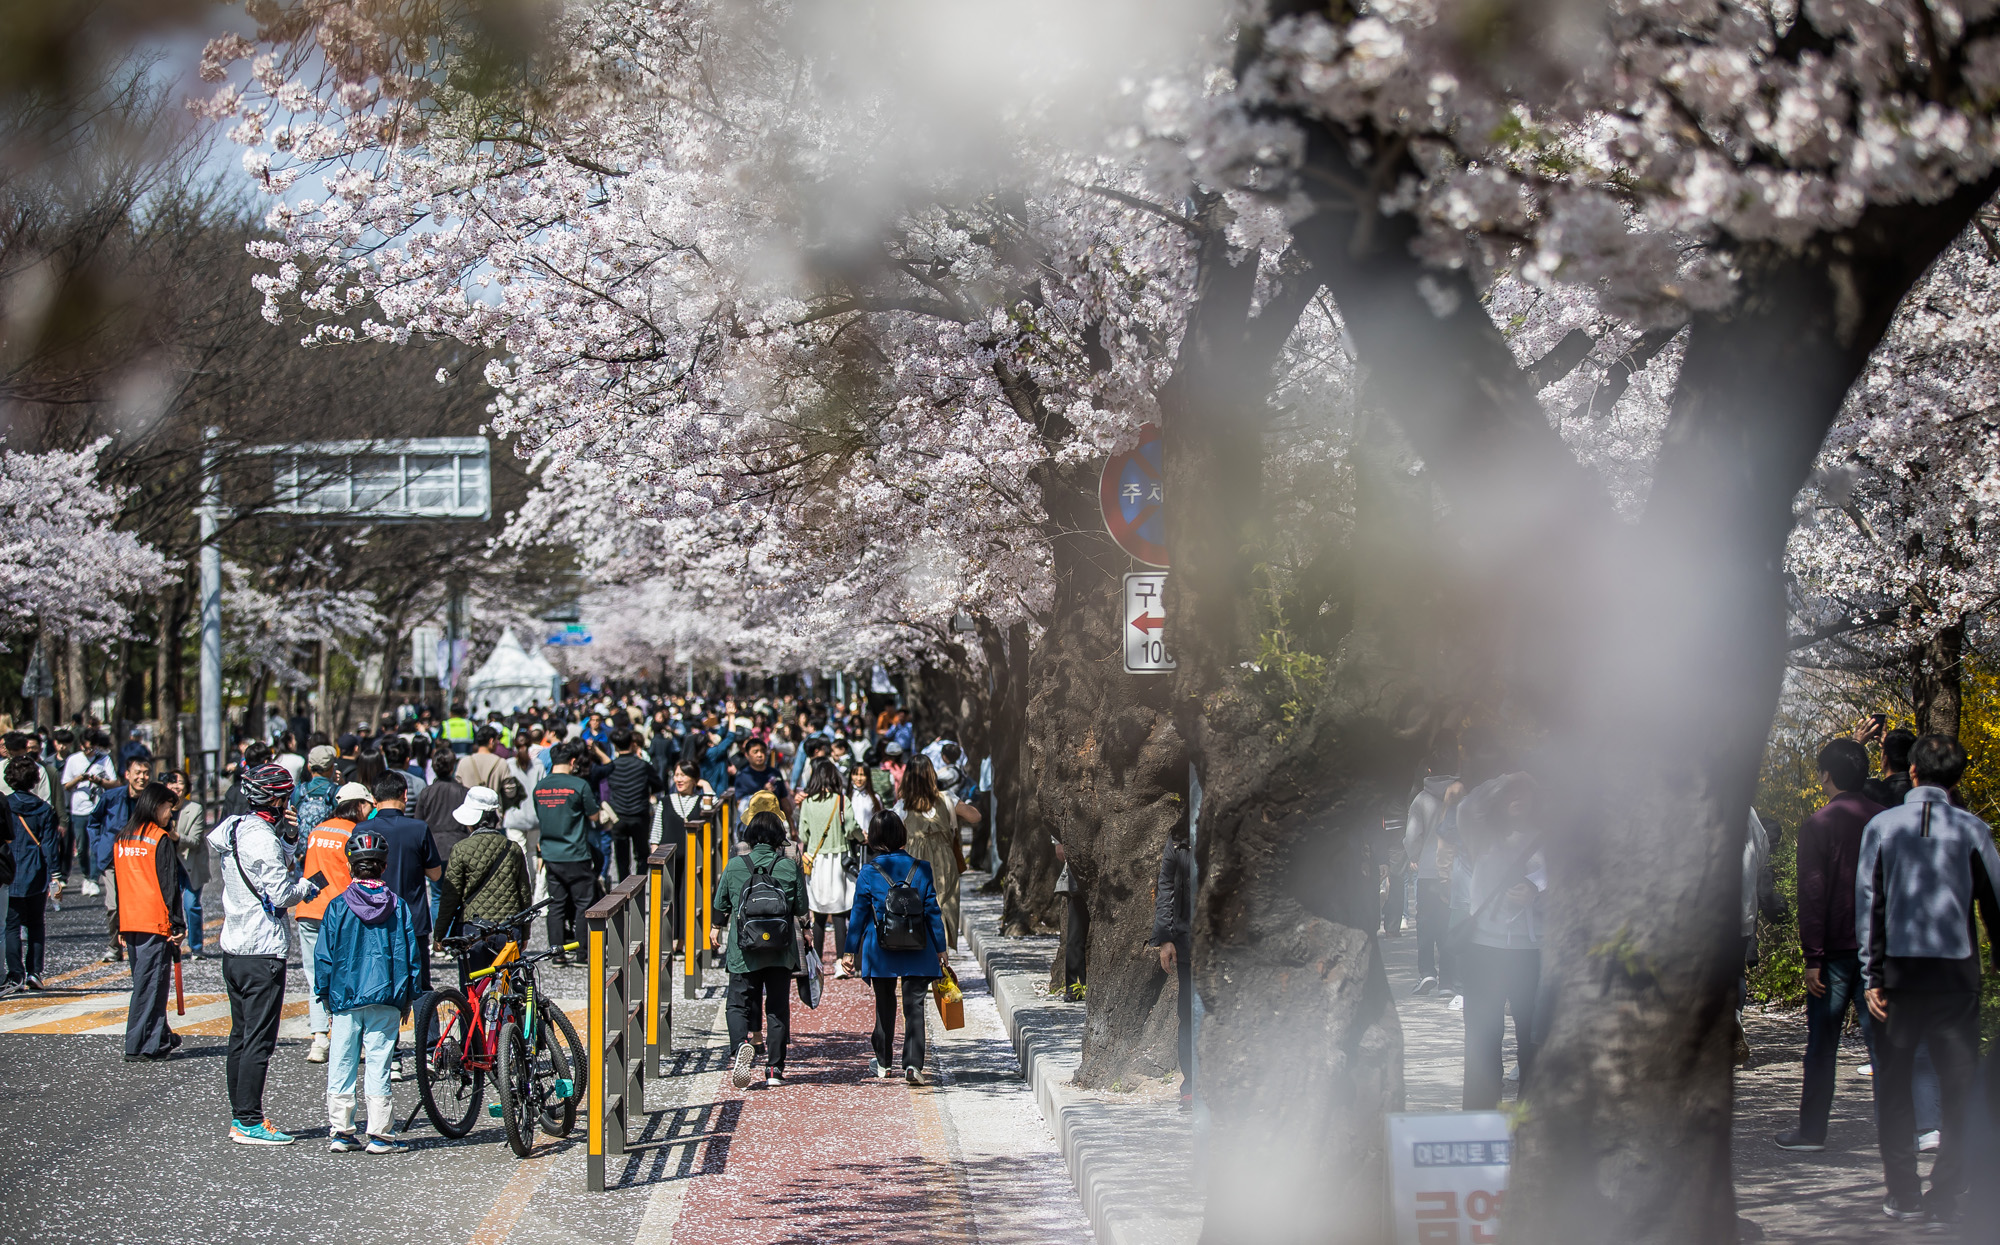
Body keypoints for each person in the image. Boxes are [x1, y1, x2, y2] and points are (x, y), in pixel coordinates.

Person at [1856, 733, 2000, 1224]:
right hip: (1956, 978)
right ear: (1956, 777)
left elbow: (1868, 905)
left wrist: (1870, 974)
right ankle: (1946, 1189)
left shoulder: (1882, 826)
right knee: (1958, 1088)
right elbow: (1995, 905)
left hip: (1896, 975)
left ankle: (1902, 1192)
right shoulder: (1973, 830)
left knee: (1893, 1085)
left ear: (1912, 770)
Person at [1773, 738, 1888, 1151]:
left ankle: (1812, 1132)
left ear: (1826, 774)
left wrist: (1812, 956)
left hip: (1835, 952)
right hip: (1879, 951)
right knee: (1884, 1047)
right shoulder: (1886, 819)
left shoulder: (1818, 824)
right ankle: (1895, 1132)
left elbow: (1813, 894)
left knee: (1822, 1045)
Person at [208, 763, 322, 1144]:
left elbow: (257, 859)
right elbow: (281, 892)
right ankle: (249, 1121)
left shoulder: (234, 828)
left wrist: (287, 836)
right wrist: (306, 887)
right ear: (277, 798)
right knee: (259, 1040)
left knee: (240, 1035)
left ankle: (240, 1115)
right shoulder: (263, 838)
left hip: (234, 948)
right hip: (262, 950)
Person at [313, 826, 422, 1154]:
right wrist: (407, 996)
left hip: (345, 997)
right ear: (384, 867)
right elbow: (409, 954)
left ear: (350, 867)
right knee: (379, 1063)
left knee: (342, 1062)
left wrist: (324, 994)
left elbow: (324, 956)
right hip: (386, 996)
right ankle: (379, 1134)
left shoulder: (337, 906)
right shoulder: (399, 906)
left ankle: (341, 1131)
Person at [1457, 771, 1544, 1111]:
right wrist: (1507, 779)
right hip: (1484, 949)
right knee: (1482, 1039)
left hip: (1531, 951)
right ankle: (1479, 1118)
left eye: (1525, 793)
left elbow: (1562, 886)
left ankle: (1533, 1121)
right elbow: (1466, 807)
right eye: (1511, 794)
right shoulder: (1481, 833)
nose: (1518, 798)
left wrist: (1535, 892)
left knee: (1533, 1040)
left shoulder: (1546, 838)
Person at [844, 810, 948, 1085]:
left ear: (875, 838)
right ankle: (913, 1064)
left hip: (881, 950)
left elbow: (858, 914)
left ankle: (882, 1062)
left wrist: (849, 951)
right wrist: (941, 948)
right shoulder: (922, 868)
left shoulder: (868, 872)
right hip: (919, 946)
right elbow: (932, 911)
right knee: (914, 1004)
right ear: (901, 834)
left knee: (885, 1003)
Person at [711, 810, 806, 1089]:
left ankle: (741, 1044)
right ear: (779, 838)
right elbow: (800, 908)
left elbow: (721, 905)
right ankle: (775, 1069)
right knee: (777, 1007)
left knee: (737, 1002)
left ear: (750, 836)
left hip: (744, 950)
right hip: (779, 949)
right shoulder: (788, 867)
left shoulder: (735, 865)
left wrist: (716, 927)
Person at [366, 773, 442, 1083]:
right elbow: (435, 874)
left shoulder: (363, 829)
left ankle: (391, 1058)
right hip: (413, 920)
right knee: (420, 986)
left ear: (374, 799)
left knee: (383, 989)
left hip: (373, 921)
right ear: (405, 797)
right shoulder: (418, 828)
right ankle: (428, 1052)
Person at [294, 782, 373, 1065]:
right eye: (369, 806)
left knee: (315, 975)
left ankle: (318, 1041)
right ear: (359, 805)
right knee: (349, 974)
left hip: (309, 908)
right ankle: (351, 1040)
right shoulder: (354, 833)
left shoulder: (318, 830)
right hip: (340, 912)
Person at [116, 781, 186, 1062]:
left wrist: (118, 926)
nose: (171, 815)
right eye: (169, 808)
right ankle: (140, 1045)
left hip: (130, 919)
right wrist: (178, 924)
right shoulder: (159, 838)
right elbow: (169, 884)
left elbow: (121, 882)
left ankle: (160, 1036)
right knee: (152, 985)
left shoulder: (124, 837)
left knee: (145, 982)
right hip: (154, 920)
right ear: (157, 806)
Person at [433, 787, 532, 949]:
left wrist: (440, 935)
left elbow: (450, 896)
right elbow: (524, 894)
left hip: (472, 930)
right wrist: (525, 932)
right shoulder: (512, 848)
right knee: (507, 974)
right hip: (508, 929)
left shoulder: (461, 848)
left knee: (474, 975)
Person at [897, 756, 977, 951]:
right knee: (944, 905)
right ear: (932, 775)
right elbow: (976, 816)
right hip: (945, 860)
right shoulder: (947, 798)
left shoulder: (902, 805)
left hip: (914, 862)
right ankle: (941, 958)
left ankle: (922, 957)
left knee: (918, 906)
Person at [534, 742, 602, 961]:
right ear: (573, 762)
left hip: (550, 853)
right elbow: (594, 816)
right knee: (584, 903)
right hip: (576, 852)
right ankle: (583, 953)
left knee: (556, 905)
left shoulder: (540, 787)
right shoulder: (578, 785)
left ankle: (557, 953)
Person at [1148, 818, 1196, 1109]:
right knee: (1188, 1014)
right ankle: (1190, 1084)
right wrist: (1165, 939)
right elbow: (1165, 887)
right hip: (1187, 937)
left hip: (1225, 939)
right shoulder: (1179, 837)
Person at [797, 759, 861, 976]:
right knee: (841, 913)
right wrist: (862, 837)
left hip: (816, 862)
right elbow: (852, 827)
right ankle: (843, 964)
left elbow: (802, 833)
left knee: (819, 914)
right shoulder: (842, 800)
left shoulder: (807, 803)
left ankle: (815, 962)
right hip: (839, 860)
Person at [87, 755, 153, 963]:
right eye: (137, 773)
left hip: (140, 859)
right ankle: (115, 947)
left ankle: (139, 946)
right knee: (114, 905)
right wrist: (98, 846)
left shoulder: (152, 800)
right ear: (127, 775)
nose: (142, 778)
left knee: (140, 905)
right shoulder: (111, 797)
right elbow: (93, 821)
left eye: (146, 773)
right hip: (112, 858)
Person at [1405, 743, 1458, 995]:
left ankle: (1427, 973)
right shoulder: (1463, 795)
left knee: (1426, 922)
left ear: (1429, 769)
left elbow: (1412, 836)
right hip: (1456, 871)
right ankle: (1448, 981)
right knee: (1450, 922)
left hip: (1427, 871)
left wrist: (1413, 856)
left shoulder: (1421, 799)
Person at [3, 756, 58, 994]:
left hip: (10, 868)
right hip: (36, 869)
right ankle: (35, 972)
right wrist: (55, 874)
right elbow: (50, 845)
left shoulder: (5, 804)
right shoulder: (45, 809)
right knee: (36, 924)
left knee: (11, 925)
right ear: (35, 780)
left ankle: (15, 974)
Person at [603, 726, 664, 880]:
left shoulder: (611, 767)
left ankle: (624, 888)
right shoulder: (642, 765)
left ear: (615, 746)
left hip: (618, 816)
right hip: (639, 814)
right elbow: (658, 785)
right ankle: (640, 884)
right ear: (632, 744)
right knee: (642, 854)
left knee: (621, 857)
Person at [162, 770, 209, 959]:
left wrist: (174, 835)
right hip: (167, 864)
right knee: (168, 907)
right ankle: (168, 944)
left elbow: (195, 841)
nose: (175, 786)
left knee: (191, 905)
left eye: (180, 782)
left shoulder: (195, 809)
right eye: (171, 782)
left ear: (187, 787)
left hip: (190, 864)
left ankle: (196, 948)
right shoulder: (160, 807)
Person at [729, 737, 789, 814]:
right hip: (754, 822)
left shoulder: (775, 773)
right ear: (747, 755)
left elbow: (783, 799)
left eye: (762, 751)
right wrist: (762, 793)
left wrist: (791, 823)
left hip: (774, 820)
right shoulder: (742, 777)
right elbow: (740, 803)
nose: (759, 755)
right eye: (755, 752)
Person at [455, 726, 509, 793]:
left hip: (469, 803)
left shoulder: (464, 761)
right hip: (492, 803)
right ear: (491, 741)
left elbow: (457, 786)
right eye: (496, 740)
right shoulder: (501, 763)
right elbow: (510, 792)